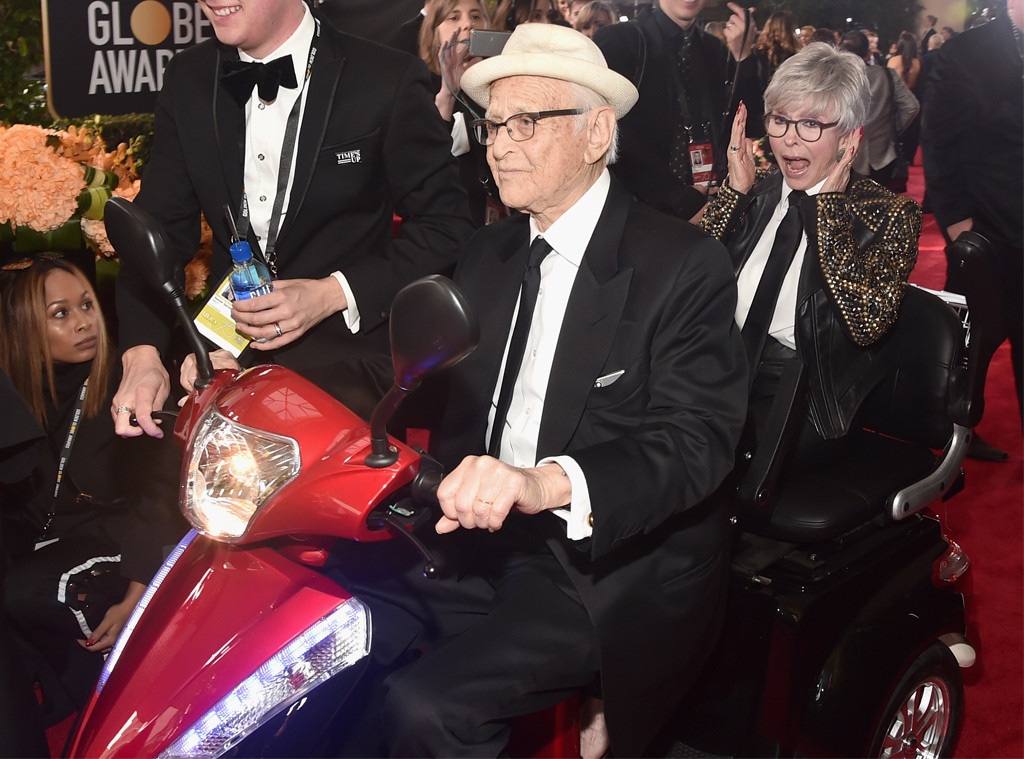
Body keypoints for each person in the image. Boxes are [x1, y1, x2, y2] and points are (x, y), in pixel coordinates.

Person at [334, 23, 748, 758]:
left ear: (595, 133)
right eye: (491, 124)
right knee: (320, 630)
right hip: (470, 532)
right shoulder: (488, 250)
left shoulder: (683, 263)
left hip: (603, 563)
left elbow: (695, 443)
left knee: (429, 707)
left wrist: (540, 482)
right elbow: (423, 377)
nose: (496, 145)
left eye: (524, 123)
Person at [113, 0, 474, 436]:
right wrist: (142, 353)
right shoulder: (189, 77)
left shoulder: (385, 77)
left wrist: (331, 293)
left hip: (350, 370)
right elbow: (161, 231)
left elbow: (447, 226)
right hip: (224, 357)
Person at [701, 42, 921, 466]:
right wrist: (733, 194)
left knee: (701, 455)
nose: (790, 140)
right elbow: (690, 279)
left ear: (850, 136)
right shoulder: (759, 188)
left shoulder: (890, 213)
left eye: (812, 125)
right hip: (721, 371)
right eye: (781, 121)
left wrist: (832, 212)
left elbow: (867, 323)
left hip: (804, 394)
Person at [0, 257, 185, 727]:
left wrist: (137, 596)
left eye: (86, 305)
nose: (84, 322)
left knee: (26, 590)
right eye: (60, 313)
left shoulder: (130, 386)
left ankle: (114, 709)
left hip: (120, 539)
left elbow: (159, 498)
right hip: (49, 537)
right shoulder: (21, 395)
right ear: (24, 329)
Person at [921, 0, 1023, 433]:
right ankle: (948, 426)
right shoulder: (964, 53)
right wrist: (960, 227)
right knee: (972, 339)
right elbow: (940, 145)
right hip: (990, 231)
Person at [594, 0, 759, 222]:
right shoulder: (621, 40)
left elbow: (745, 125)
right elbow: (614, 132)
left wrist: (743, 57)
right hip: (640, 214)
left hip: (707, 204)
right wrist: (679, 199)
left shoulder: (714, 49)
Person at [419, 0, 503, 227]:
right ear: (433, 29)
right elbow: (423, 159)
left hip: (501, 222)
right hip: (449, 224)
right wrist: (448, 94)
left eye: (476, 17)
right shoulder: (418, 86)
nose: (467, 24)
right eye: (454, 18)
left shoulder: (501, 83)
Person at [840, 30, 919, 192]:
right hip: (883, 154)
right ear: (868, 54)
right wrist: (893, 128)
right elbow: (912, 106)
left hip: (843, 155)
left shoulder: (834, 78)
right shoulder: (887, 75)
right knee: (880, 208)